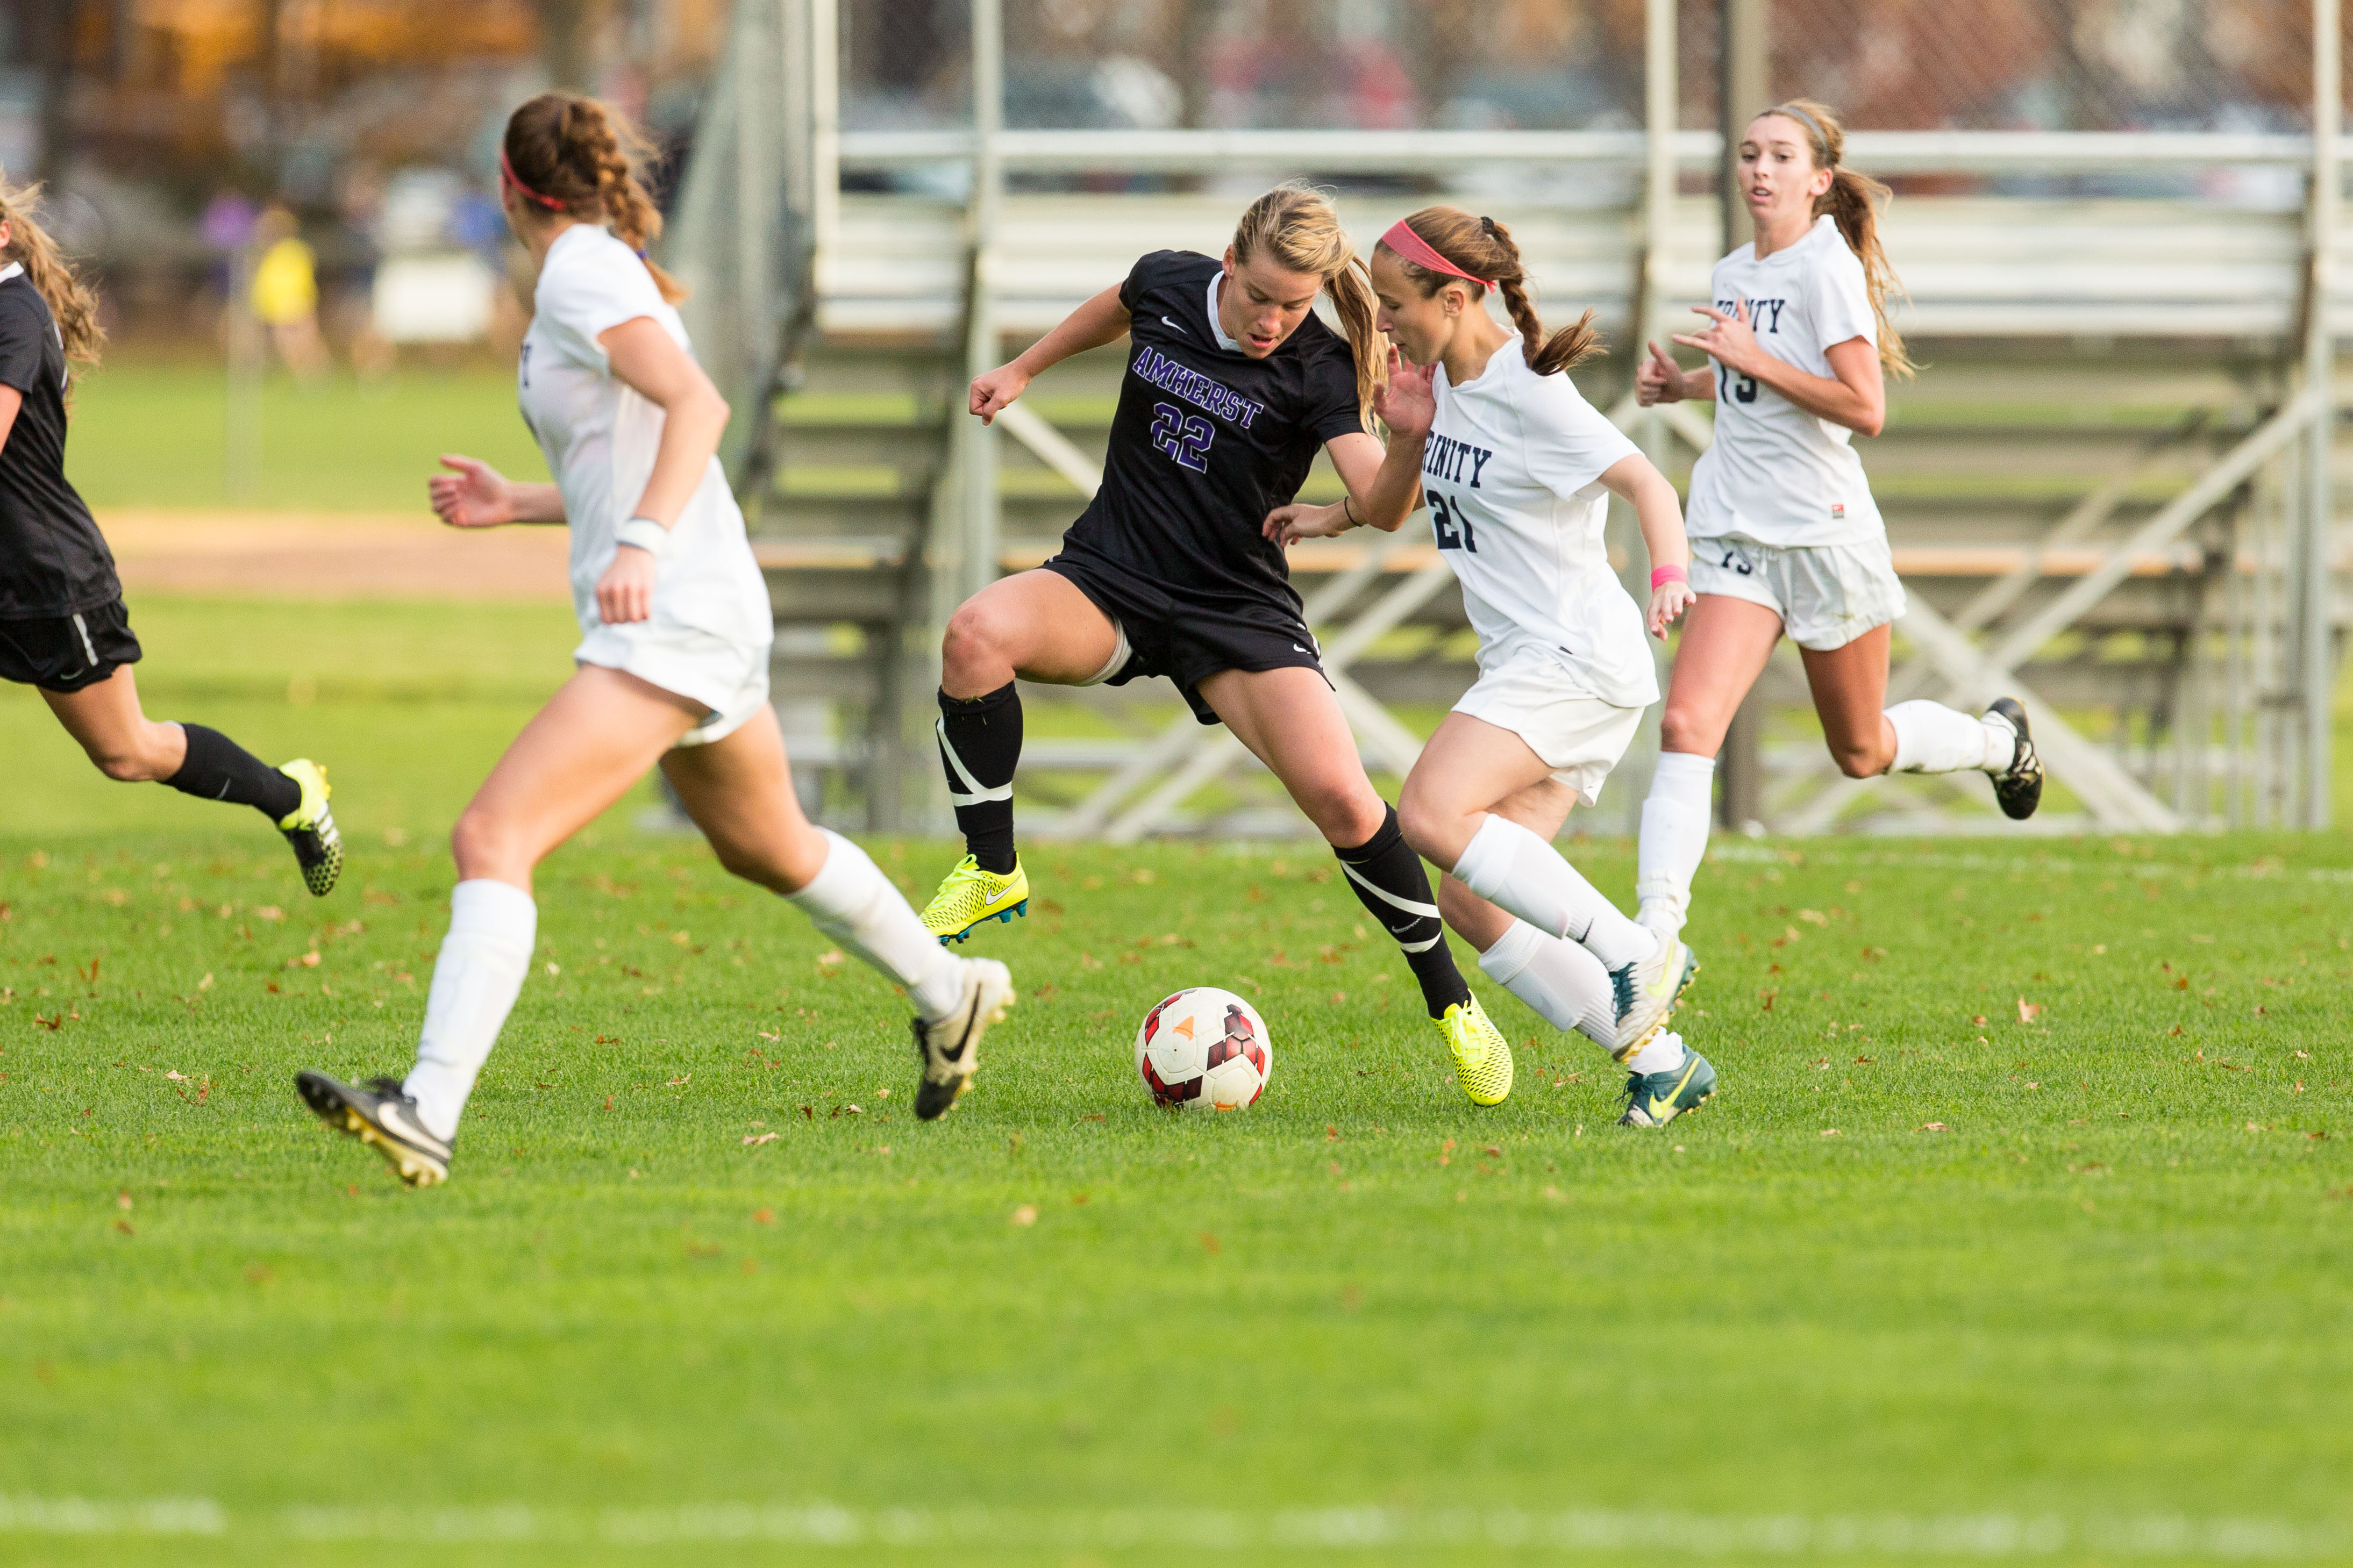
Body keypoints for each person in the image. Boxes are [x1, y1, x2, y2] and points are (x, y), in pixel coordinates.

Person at [294, 93, 1012, 1188]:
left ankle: (427, 1107)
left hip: (672, 612)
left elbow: (698, 407)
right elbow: (620, 448)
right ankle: (949, 991)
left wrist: (635, 543)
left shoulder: (581, 270)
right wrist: (523, 501)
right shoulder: (592, 268)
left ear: (508, 184)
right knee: (768, 846)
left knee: (492, 836)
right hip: (698, 603)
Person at [921, 181, 1516, 1105]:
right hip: (1109, 580)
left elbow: (1385, 506)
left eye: (1296, 302)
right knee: (974, 635)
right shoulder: (1167, 282)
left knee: (1346, 802)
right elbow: (1111, 309)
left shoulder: (1322, 364)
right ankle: (991, 867)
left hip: (1234, 611)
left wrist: (1405, 443)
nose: (1275, 319)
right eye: (1261, 296)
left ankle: (1453, 1005)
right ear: (1228, 264)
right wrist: (1024, 368)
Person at [1287, 206, 1710, 1127]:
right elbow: (1403, 503)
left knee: (1435, 812)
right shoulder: (1436, 380)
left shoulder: (1529, 389)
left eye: (1396, 304)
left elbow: (1647, 482)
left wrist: (1670, 575)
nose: (1384, 321)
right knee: (1474, 906)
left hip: (1573, 658)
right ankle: (1661, 1058)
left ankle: (1637, 950)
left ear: (1456, 295)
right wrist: (1349, 500)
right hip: (1538, 665)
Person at [1632, 99, 2042, 942]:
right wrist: (1691, 386)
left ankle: (2000, 743)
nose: (1759, 169)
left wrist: (1754, 359)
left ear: (1819, 181)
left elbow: (1865, 406)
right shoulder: (1733, 272)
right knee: (1685, 725)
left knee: (1859, 751)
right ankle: (1655, 938)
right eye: (1749, 153)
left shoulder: (1827, 269)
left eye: (1781, 156)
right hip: (1738, 534)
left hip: (1823, 538)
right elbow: (1759, 388)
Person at [0, 175, 341, 894]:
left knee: (128, 751)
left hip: (44, 577)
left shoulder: (13, 316)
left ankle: (292, 797)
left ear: (2, 235)